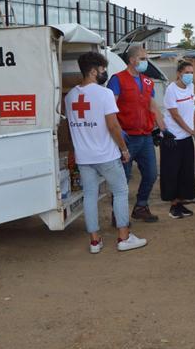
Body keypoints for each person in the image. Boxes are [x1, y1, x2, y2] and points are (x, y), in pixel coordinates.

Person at [65, 52, 147, 253]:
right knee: (120, 191)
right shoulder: (104, 94)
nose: (104, 74)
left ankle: (94, 241)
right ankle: (124, 237)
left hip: (84, 157)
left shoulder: (70, 97)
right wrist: (124, 149)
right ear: (93, 71)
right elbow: (113, 126)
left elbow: (71, 128)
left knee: (90, 196)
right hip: (106, 155)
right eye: (102, 70)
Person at [108, 44, 166, 223]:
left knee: (151, 174)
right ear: (132, 60)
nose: (145, 62)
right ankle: (118, 214)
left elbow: (152, 106)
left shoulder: (148, 81)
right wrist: (118, 135)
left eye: (146, 58)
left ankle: (141, 206)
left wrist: (164, 129)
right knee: (122, 179)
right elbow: (110, 108)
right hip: (126, 138)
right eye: (142, 58)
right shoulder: (117, 80)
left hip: (146, 137)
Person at [161, 60, 195, 219]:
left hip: (186, 137)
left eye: (191, 72)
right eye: (187, 72)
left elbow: (191, 109)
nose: (190, 75)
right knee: (172, 172)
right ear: (179, 74)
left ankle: (181, 202)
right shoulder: (171, 90)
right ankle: (173, 206)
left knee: (186, 171)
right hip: (174, 137)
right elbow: (175, 115)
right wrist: (190, 130)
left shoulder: (190, 87)